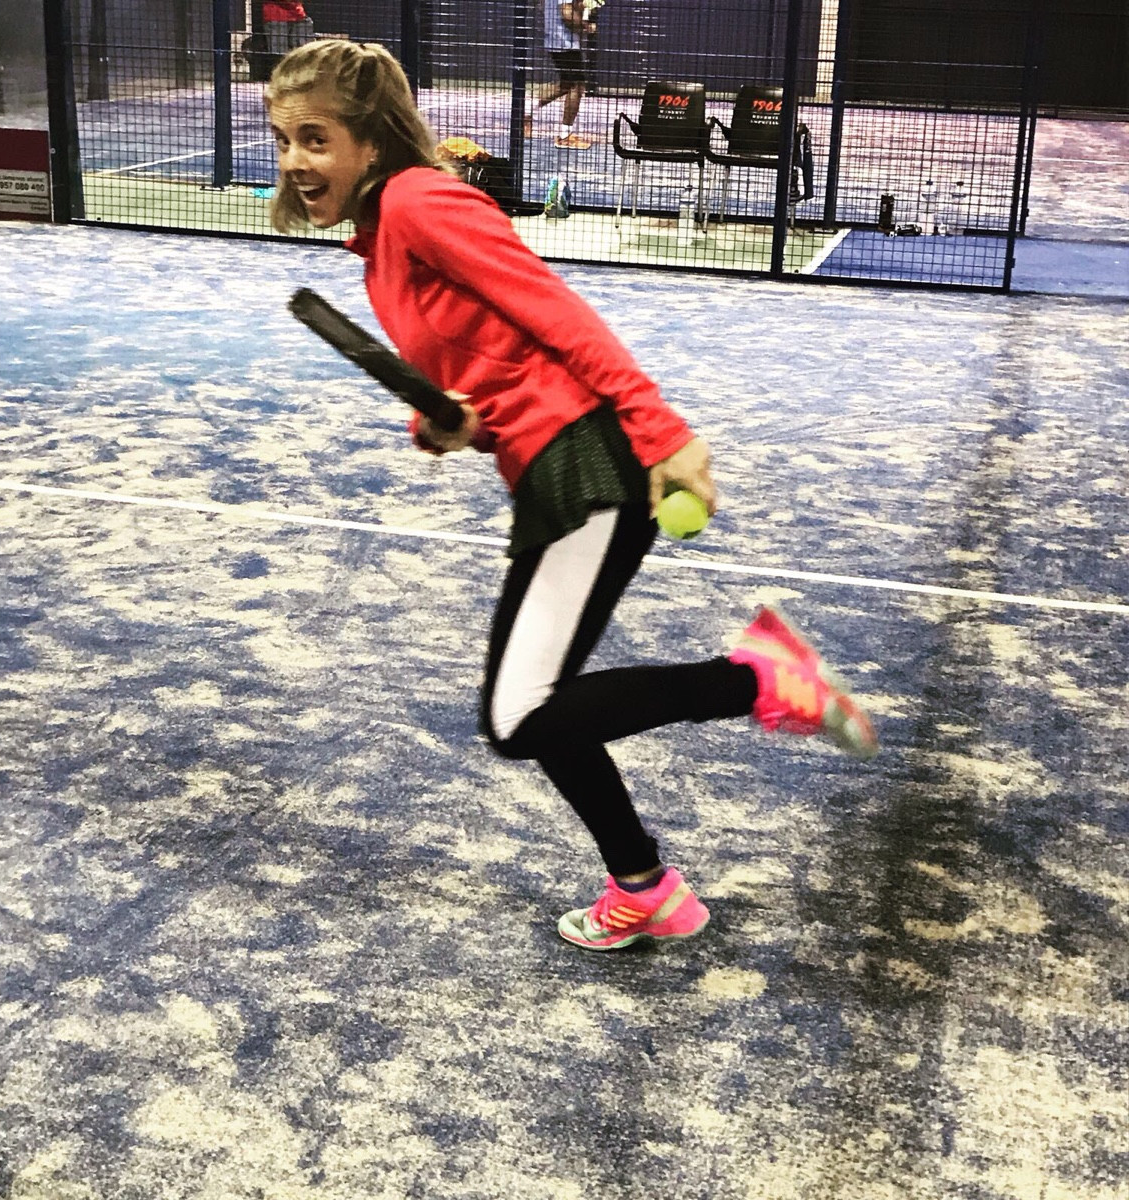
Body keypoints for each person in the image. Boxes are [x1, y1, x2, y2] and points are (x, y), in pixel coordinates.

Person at [265, 40, 879, 951]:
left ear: (371, 139)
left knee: (520, 717)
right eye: (284, 139)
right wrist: (445, 423)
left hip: (589, 466)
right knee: (540, 707)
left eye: (315, 138)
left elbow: (555, 311)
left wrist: (661, 431)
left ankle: (758, 679)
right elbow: (491, 366)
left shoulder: (420, 200)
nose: (294, 160)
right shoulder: (382, 242)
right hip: (549, 472)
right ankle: (645, 887)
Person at [524, 1, 596, 149]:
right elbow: (567, 14)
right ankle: (564, 136)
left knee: (567, 85)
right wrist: (585, 26)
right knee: (577, 86)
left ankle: (525, 112)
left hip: (556, 40)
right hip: (564, 43)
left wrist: (581, 8)